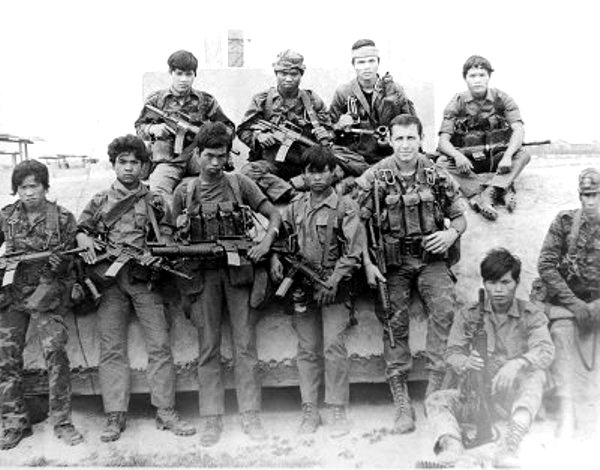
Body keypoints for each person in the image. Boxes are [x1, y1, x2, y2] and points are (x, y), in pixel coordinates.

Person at [76, 135, 195, 442]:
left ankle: (166, 411)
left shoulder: (155, 200)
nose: (128, 168)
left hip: (145, 280)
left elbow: (167, 235)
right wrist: (84, 239)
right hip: (110, 282)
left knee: (160, 345)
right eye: (123, 162)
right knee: (111, 348)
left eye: (135, 163)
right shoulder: (100, 201)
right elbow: (80, 230)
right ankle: (115, 414)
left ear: (144, 167)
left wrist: (157, 253)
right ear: (114, 165)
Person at [354, 114, 467, 433]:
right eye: (399, 139)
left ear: (420, 139)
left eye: (411, 138)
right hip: (393, 263)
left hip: (431, 259)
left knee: (444, 309)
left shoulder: (436, 174)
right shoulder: (375, 177)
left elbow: (460, 217)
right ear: (390, 141)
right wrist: (368, 264)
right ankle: (401, 400)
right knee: (394, 321)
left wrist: (451, 234)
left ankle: (435, 389)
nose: (405, 145)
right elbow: (355, 223)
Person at [171, 122, 281, 446]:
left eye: (221, 156)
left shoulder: (239, 183)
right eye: (209, 156)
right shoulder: (184, 192)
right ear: (197, 154)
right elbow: (168, 233)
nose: (216, 163)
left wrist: (266, 243)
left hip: (238, 274)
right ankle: (211, 418)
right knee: (208, 348)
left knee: (245, 346)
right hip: (202, 277)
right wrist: (178, 235)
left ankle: (250, 414)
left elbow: (273, 214)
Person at [426, 248, 554, 468]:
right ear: (484, 283)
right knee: (436, 400)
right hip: (477, 393)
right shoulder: (468, 314)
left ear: (517, 282)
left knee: (536, 376)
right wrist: (465, 362)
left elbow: (545, 349)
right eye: (492, 283)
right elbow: (452, 352)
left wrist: (518, 363)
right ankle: (451, 450)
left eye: (505, 282)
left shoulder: (530, 314)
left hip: (512, 395)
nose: (498, 290)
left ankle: (509, 446)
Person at [269, 146, 364, 437]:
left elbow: (353, 253)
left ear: (334, 173)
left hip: (334, 287)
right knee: (307, 349)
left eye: (323, 171)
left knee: (333, 347)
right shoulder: (296, 206)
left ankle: (336, 407)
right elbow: (281, 237)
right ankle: (309, 408)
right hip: (302, 286)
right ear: (304, 175)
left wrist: (333, 281)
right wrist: (275, 258)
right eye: (311, 172)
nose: (318, 177)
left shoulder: (346, 207)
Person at [0, 160, 84, 449]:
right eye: (22, 187)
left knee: (56, 353)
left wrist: (62, 265)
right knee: (5, 357)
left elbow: (75, 260)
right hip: (13, 295)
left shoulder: (62, 218)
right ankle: (14, 423)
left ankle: (62, 421)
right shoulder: (6, 216)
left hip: (48, 295)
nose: (28, 192)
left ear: (45, 187)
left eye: (34, 186)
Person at [237, 49, 368, 204]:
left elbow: (329, 131)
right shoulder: (263, 100)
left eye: (294, 74)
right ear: (276, 73)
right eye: (283, 74)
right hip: (273, 164)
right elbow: (243, 130)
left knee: (340, 166)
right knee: (247, 172)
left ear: (301, 75)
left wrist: (326, 134)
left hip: (308, 164)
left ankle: (292, 186)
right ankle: (294, 193)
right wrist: (258, 136)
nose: (288, 79)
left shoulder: (312, 100)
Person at [534, 168, 600, 438]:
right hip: (568, 302)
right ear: (579, 196)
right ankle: (566, 410)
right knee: (561, 333)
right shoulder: (564, 222)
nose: (591, 201)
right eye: (586, 195)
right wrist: (575, 304)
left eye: (596, 195)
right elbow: (546, 266)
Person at [437, 55, 530, 220]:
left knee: (523, 154)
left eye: (482, 75)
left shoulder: (502, 99)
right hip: (469, 161)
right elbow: (443, 141)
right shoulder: (457, 102)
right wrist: (457, 156)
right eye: (472, 76)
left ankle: (492, 191)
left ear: (489, 77)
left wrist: (508, 156)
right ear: (465, 78)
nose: (477, 80)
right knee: (441, 163)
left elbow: (518, 130)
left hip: (496, 158)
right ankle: (492, 190)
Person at [134, 49, 235, 200]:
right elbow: (139, 127)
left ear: (195, 75)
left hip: (198, 156)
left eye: (188, 74)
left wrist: (211, 134)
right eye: (179, 74)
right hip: (168, 160)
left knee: (221, 187)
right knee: (158, 192)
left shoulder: (206, 101)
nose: (183, 79)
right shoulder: (156, 100)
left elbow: (229, 128)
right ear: (171, 73)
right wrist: (152, 129)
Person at [329, 39, 417, 164]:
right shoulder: (343, 92)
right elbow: (329, 130)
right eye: (361, 62)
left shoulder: (395, 90)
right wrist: (339, 125)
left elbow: (412, 125)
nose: (366, 67)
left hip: (390, 156)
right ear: (353, 64)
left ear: (378, 62)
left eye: (371, 61)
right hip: (355, 158)